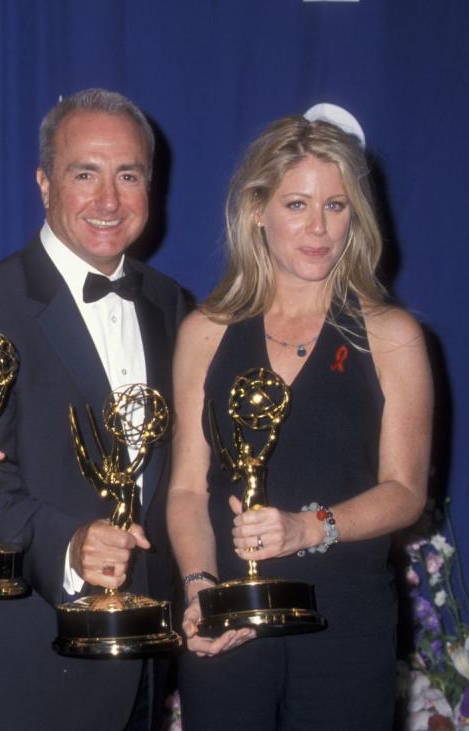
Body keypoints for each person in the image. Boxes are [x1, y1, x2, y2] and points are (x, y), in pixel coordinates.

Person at [0, 89, 186, 730]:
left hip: (144, 671)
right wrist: (68, 545)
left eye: (128, 175)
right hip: (19, 674)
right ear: (44, 184)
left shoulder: (176, 307)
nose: (108, 200)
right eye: (84, 174)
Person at [167, 116, 432, 730]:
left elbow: (405, 492)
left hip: (346, 623)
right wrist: (201, 590)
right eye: (297, 204)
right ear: (257, 209)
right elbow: (186, 488)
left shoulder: (393, 335)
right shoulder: (204, 332)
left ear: (355, 216)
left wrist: (308, 528)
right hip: (229, 623)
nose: (318, 227)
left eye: (335, 205)